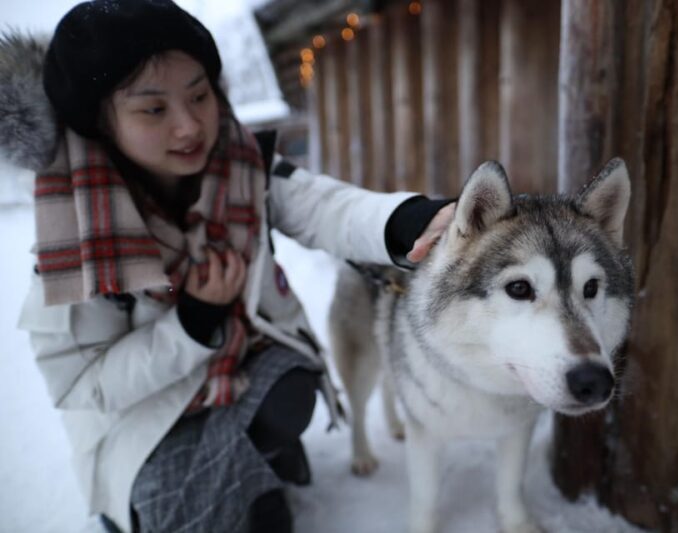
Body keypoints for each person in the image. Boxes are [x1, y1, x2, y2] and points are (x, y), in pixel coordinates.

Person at [4, 1, 455, 532]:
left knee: (291, 392)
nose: (190, 125)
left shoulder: (242, 162)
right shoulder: (79, 232)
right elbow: (81, 383)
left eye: (199, 95)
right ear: (101, 123)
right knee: (174, 511)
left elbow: (323, 207)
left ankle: (254, 464)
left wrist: (402, 220)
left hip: (236, 372)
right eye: (154, 109)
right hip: (145, 423)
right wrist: (193, 321)